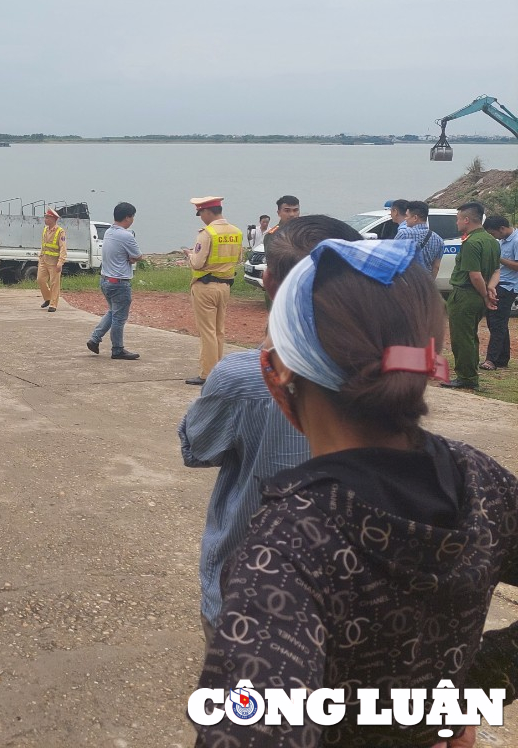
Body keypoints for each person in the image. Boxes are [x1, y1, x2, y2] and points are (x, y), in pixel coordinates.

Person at [195, 237, 518, 747]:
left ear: (276, 373)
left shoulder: (285, 549)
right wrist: (464, 690)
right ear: (427, 361)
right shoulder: (483, 480)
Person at [178, 215, 362, 642]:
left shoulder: (244, 378)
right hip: (347, 603)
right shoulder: (391, 375)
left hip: (246, 592)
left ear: (270, 283)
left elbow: (197, 449)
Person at [184, 196, 243, 386]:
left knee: (207, 331)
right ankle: (218, 370)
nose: (201, 217)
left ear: (207, 212)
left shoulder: (207, 233)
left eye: (201, 213)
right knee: (219, 330)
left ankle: (207, 374)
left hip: (205, 286)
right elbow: (239, 258)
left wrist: (190, 255)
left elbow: (199, 262)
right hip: (225, 285)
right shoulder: (236, 232)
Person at [442, 201, 501, 390]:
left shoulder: (471, 242)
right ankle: (470, 373)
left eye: (458, 219)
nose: (457, 223)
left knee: (462, 338)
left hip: (466, 295)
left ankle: (466, 377)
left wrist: (485, 294)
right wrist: (490, 289)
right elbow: (496, 271)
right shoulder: (491, 241)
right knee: (470, 336)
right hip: (476, 296)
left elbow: (474, 275)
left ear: (467, 220)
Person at [86, 202, 143, 360]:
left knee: (113, 312)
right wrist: (131, 258)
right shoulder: (126, 235)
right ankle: (117, 349)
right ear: (127, 217)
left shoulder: (110, 232)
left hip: (106, 280)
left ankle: (95, 339)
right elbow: (138, 256)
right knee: (119, 317)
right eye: (132, 217)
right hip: (119, 282)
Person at [482, 214, 517, 371]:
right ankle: (502, 358)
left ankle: (492, 359)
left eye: (493, 233)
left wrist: (499, 258)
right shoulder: (502, 240)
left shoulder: (516, 241)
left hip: (507, 286)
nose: (492, 236)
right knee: (496, 322)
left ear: (502, 229)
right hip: (498, 284)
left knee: (497, 323)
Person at [398, 200, 445, 278]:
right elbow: (436, 267)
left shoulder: (403, 234)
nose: (405, 219)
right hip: (426, 282)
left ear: (415, 218)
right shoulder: (439, 240)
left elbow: (394, 259)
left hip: (407, 281)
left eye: (407, 216)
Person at [37, 208, 66, 313]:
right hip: (43, 260)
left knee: (54, 283)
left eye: (47, 217)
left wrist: (60, 262)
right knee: (40, 280)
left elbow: (63, 248)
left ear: (53, 219)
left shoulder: (60, 231)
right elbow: (43, 245)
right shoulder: (45, 229)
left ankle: (53, 304)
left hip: (54, 262)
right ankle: (48, 298)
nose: (45, 219)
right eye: (45, 217)